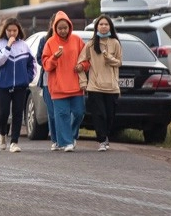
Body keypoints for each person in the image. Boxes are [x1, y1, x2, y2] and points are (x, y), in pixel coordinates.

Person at [40, 10, 86, 152]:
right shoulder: (50, 42)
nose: (63, 31)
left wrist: (82, 66)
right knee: (62, 115)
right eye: (59, 28)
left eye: (65, 28)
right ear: (54, 28)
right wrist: (54, 57)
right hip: (58, 87)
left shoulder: (77, 40)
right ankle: (66, 142)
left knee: (79, 113)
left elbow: (86, 58)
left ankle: (71, 135)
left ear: (70, 26)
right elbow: (46, 65)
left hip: (76, 85)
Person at [0, 17, 34, 153]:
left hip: (20, 85)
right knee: (3, 112)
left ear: (18, 30)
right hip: (3, 85)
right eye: (9, 30)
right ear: (5, 30)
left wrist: (27, 78)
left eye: (14, 30)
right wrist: (8, 46)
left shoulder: (24, 45)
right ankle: (2, 133)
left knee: (17, 113)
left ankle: (14, 142)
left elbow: (31, 64)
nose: (12, 33)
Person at [78, 14, 123, 151]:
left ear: (110, 27)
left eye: (106, 24)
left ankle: (106, 136)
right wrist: (83, 82)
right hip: (95, 86)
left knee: (109, 116)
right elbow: (80, 63)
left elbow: (119, 62)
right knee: (99, 115)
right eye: (101, 24)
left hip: (112, 87)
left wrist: (109, 57)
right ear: (96, 27)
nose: (103, 27)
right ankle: (102, 140)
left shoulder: (115, 43)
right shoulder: (91, 44)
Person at [32, 18, 60, 150]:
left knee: (65, 112)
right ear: (52, 25)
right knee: (52, 112)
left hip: (64, 81)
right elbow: (39, 58)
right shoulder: (44, 40)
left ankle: (66, 138)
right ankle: (55, 139)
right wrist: (50, 62)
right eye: (56, 24)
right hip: (47, 81)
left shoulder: (70, 40)